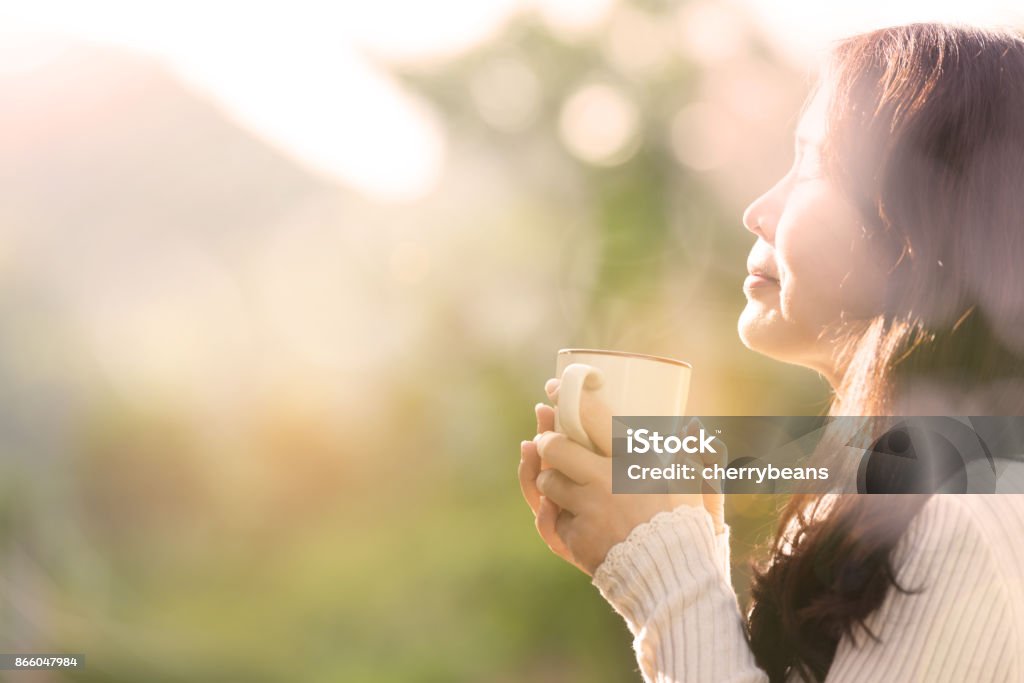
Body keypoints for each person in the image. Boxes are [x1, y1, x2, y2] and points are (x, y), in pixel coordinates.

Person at [518, 23, 1024, 682]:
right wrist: (674, 539)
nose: (758, 210)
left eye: (813, 165)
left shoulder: (955, 520)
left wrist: (669, 573)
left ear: (927, 224)